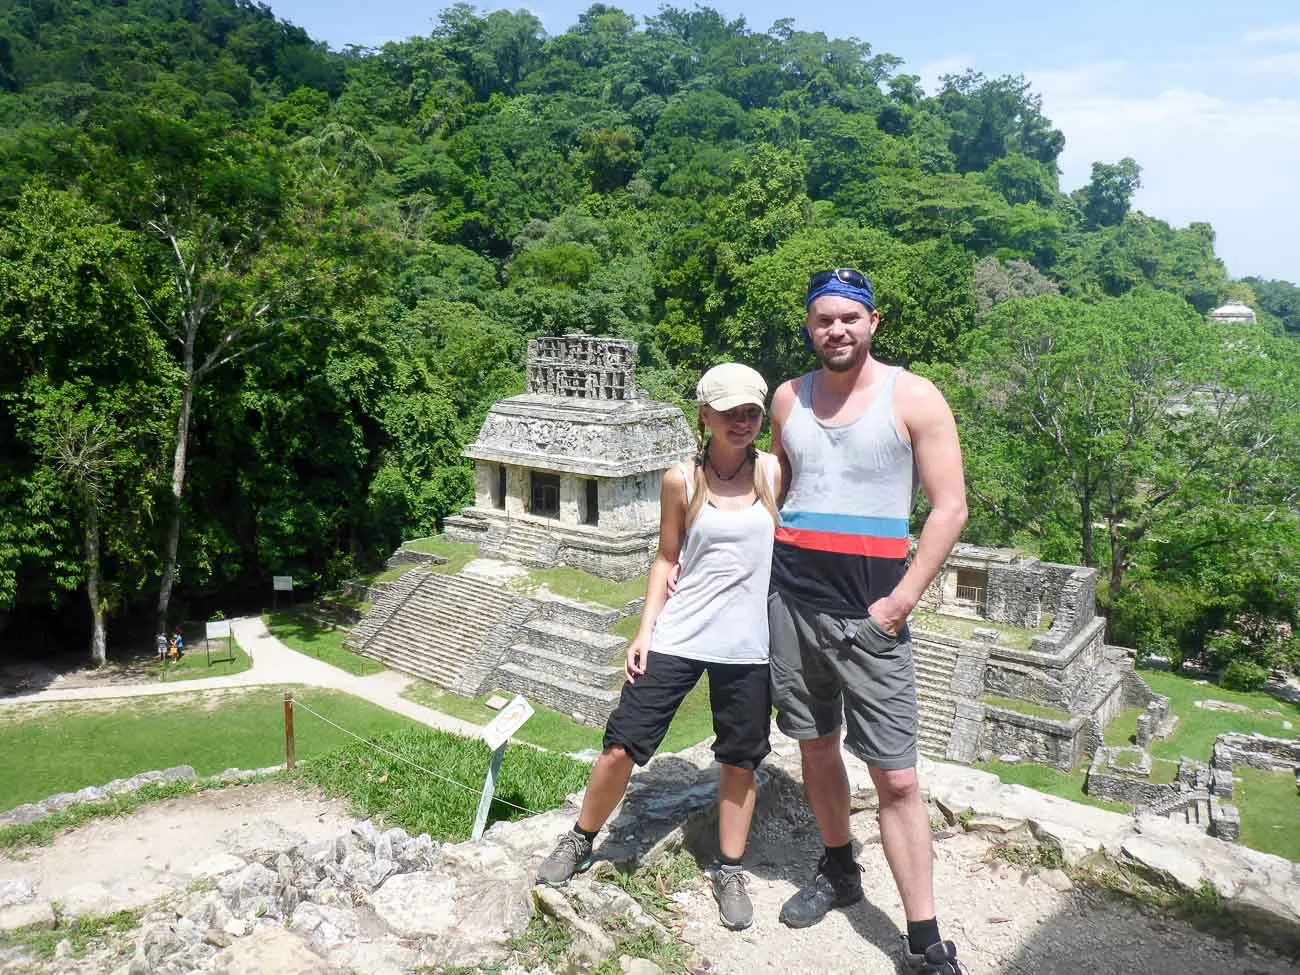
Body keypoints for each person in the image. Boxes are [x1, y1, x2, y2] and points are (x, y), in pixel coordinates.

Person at [768, 269, 969, 974]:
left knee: (898, 778)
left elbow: (949, 507)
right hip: (793, 601)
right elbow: (782, 486)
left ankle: (923, 936)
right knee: (815, 747)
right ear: (809, 325)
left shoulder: (912, 396)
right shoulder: (786, 396)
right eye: (823, 319)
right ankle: (838, 867)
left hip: (872, 611)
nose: (837, 330)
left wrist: (901, 600)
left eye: (850, 318)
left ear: (874, 321)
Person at [536, 362, 781, 932]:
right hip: (683, 629)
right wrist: (646, 629)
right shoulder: (683, 480)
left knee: (740, 760)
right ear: (705, 415)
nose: (742, 422)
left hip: (748, 642)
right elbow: (667, 558)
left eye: (751, 412)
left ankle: (729, 866)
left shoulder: (772, 473)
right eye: (730, 412)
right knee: (623, 743)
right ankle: (581, 837)